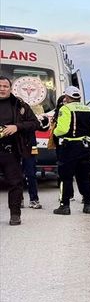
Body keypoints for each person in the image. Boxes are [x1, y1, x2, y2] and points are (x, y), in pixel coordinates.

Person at [52, 86, 90, 215]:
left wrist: (54, 132)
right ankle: (88, 205)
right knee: (85, 177)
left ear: (67, 97)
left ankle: (64, 206)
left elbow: (62, 129)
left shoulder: (65, 108)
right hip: (86, 147)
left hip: (70, 147)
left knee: (65, 177)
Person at [0, 76, 39, 225]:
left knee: (15, 184)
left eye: (5, 86)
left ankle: (15, 214)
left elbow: (34, 123)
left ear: (10, 89)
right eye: (0, 86)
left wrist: (17, 127)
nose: (2, 88)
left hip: (11, 151)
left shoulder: (19, 105)